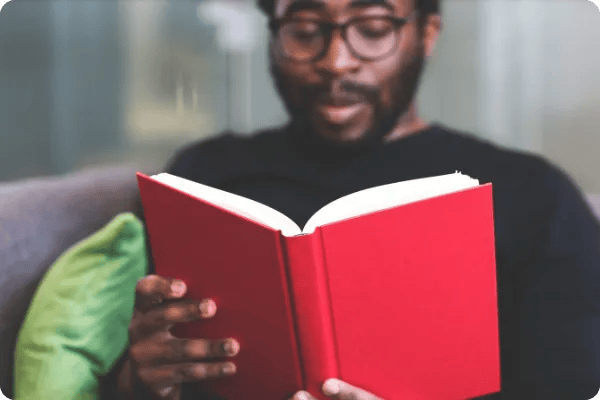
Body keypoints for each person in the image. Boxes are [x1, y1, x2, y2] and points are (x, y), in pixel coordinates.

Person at [101, 0, 600, 399]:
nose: (335, 62)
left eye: (374, 28)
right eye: (304, 29)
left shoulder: (534, 193)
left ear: (427, 34)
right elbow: (133, 368)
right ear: (274, 36)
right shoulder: (203, 176)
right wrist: (144, 383)